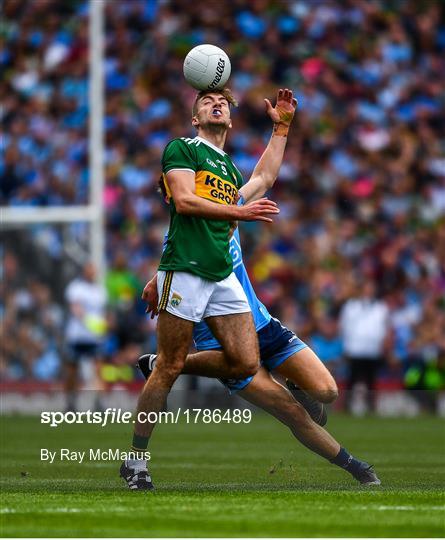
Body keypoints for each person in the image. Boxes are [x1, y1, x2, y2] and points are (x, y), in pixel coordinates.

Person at [120, 88, 297, 490]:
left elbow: (264, 178)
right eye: (206, 101)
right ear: (196, 119)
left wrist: (281, 130)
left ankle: (167, 362)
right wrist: (239, 211)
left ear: (231, 119)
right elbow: (183, 202)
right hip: (184, 270)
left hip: (219, 275)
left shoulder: (229, 170)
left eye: (222, 101)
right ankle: (136, 461)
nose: (216, 103)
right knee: (169, 365)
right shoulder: (183, 149)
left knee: (246, 362)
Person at [138, 211, 381, 490]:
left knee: (328, 392)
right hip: (222, 344)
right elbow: (168, 270)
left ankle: (161, 363)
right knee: (292, 411)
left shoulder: (228, 204)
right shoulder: (180, 242)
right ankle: (355, 467)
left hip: (263, 327)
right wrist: (157, 279)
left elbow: (263, 177)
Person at [339, 280, 391, 413]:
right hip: (355, 348)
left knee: (371, 380)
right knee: (352, 379)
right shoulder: (351, 306)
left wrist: (384, 344)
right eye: (367, 288)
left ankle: (371, 407)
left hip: (373, 349)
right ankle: (347, 406)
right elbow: (344, 326)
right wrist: (346, 345)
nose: (369, 291)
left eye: (371, 288)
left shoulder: (381, 307)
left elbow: (385, 327)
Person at [64, 263, 107, 412]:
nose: (92, 274)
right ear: (84, 272)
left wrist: (103, 326)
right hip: (77, 335)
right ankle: (70, 402)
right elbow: (75, 309)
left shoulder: (100, 290)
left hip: (94, 337)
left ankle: (99, 402)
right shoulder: (76, 288)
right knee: (72, 370)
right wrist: (91, 323)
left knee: (98, 369)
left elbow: (103, 312)